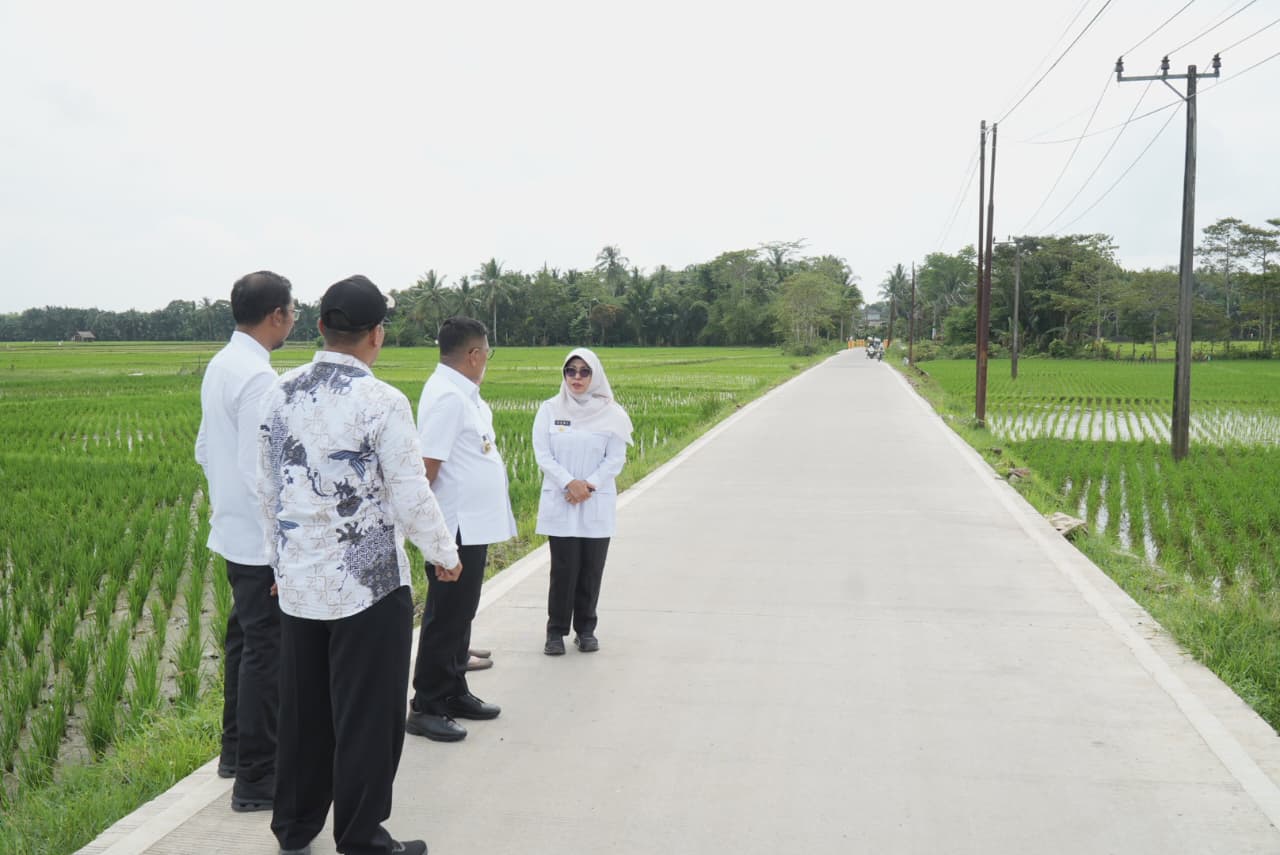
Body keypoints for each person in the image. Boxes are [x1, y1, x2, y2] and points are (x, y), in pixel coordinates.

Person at [258, 276, 460, 855]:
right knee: (367, 717)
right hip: (367, 587)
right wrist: (443, 555)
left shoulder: (280, 392)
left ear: (320, 327)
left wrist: (280, 564)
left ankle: (294, 828)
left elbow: (267, 489)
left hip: (299, 586)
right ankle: (361, 837)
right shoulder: (382, 401)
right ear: (378, 336)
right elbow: (410, 491)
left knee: (304, 713)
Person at [195, 270, 295, 812]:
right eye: (292, 311)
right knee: (265, 651)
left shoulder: (221, 364)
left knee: (244, 641)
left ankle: (234, 752)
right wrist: (281, 547)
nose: (294, 320)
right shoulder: (259, 379)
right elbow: (264, 470)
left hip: (233, 530)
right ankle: (257, 779)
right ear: (276, 315)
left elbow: (204, 448)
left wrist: (226, 501)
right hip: (259, 541)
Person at [407, 316, 516, 743]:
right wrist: (432, 537)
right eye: (486, 353)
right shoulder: (449, 398)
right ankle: (427, 705)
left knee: (460, 615)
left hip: (473, 526)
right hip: (455, 527)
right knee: (445, 618)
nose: (486, 360)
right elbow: (427, 470)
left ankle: (453, 691)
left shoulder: (463, 395)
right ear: (474, 355)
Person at [533, 348, 632, 656]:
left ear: (595, 375)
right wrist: (569, 483)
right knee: (563, 569)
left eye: (584, 372)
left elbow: (615, 458)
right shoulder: (549, 409)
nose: (576, 377)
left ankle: (586, 629)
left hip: (594, 500)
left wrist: (588, 486)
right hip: (562, 498)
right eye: (570, 371)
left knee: (591, 568)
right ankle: (555, 632)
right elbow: (542, 454)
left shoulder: (613, 413)